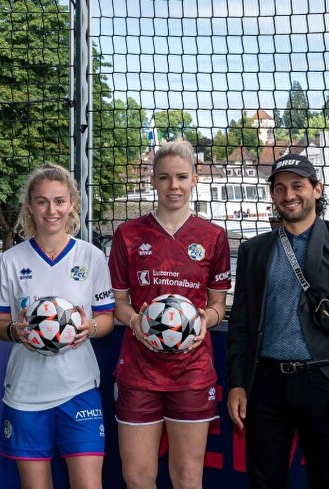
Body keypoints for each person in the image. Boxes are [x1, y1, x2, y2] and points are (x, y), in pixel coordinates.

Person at [225, 154, 329, 489]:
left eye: (297, 185)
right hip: (266, 384)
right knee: (265, 481)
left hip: (325, 381)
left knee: (328, 479)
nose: (289, 194)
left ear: (317, 189)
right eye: (279, 188)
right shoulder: (254, 250)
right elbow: (241, 324)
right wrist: (237, 383)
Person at [108, 140, 230, 489]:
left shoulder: (213, 237)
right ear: (153, 181)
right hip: (138, 370)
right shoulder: (128, 235)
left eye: (180, 177)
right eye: (164, 178)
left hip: (191, 371)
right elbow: (119, 302)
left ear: (194, 178)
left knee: (188, 477)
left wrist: (201, 322)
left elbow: (218, 306)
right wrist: (135, 322)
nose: (173, 186)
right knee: (137, 477)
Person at [0, 163, 115, 489]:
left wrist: (91, 328)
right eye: (42, 201)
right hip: (26, 395)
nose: (51, 210)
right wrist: (16, 332)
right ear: (30, 205)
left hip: (79, 389)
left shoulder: (91, 257)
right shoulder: (11, 260)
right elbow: (0, 324)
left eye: (59, 201)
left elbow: (106, 319)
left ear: (72, 203)